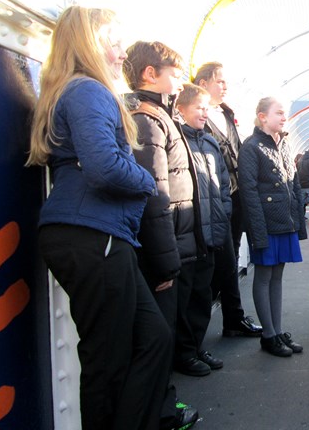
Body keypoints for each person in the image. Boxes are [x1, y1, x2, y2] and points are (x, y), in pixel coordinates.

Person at [27, 6, 172, 430]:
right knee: (106, 362)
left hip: (94, 234)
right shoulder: (88, 91)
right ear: (90, 44)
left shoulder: (71, 91)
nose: (120, 53)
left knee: (153, 339)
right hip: (94, 235)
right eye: (113, 42)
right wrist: (147, 182)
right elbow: (105, 166)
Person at [123, 41, 203, 428]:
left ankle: (164, 407)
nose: (179, 78)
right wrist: (166, 261)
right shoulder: (147, 119)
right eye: (172, 71)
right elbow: (153, 194)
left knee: (162, 334)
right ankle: (161, 413)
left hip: (169, 241)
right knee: (158, 337)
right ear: (149, 74)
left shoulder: (157, 115)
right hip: (160, 248)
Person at [192, 61, 262, 338]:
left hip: (233, 195)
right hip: (213, 199)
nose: (225, 86)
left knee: (228, 257)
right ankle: (227, 319)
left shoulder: (226, 114)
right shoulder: (195, 117)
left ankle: (230, 318)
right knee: (221, 259)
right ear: (203, 84)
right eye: (219, 81)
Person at [238, 97, 307, 357]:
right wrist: (257, 231)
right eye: (278, 113)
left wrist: (298, 222)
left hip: (285, 222)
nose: (283, 117)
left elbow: (295, 183)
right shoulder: (251, 147)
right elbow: (249, 192)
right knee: (264, 276)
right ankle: (268, 336)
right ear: (262, 116)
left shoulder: (285, 144)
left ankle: (277, 332)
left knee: (276, 277)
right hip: (265, 223)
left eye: (284, 113)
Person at [174, 83, 233, 378]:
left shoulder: (209, 143)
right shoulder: (176, 139)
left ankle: (195, 347)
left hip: (209, 233)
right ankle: (184, 353)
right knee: (184, 297)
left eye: (206, 107)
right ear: (180, 109)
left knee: (202, 294)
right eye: (198, 107)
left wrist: (224, 213)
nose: (203, 112)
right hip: (187, 233)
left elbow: (223, 185)